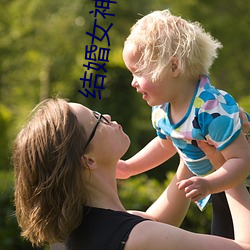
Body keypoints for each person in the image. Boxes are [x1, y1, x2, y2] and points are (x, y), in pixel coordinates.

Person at [13, 98, 250, 250]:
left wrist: (190, 137)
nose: (106, 116)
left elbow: (157, 221)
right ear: (88, 160)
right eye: (97, 120)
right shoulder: (138, 238)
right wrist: (226, 165)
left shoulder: (72, 234)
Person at [119, 9, 250, 239]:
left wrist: (209, 184)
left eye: (138, 72)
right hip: (220, 189)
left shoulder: (211, 109)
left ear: (173, 67)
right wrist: (130, 167)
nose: (133, 82)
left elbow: (242, 160)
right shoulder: (162, 110)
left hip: (239, 185)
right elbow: (166, 145)